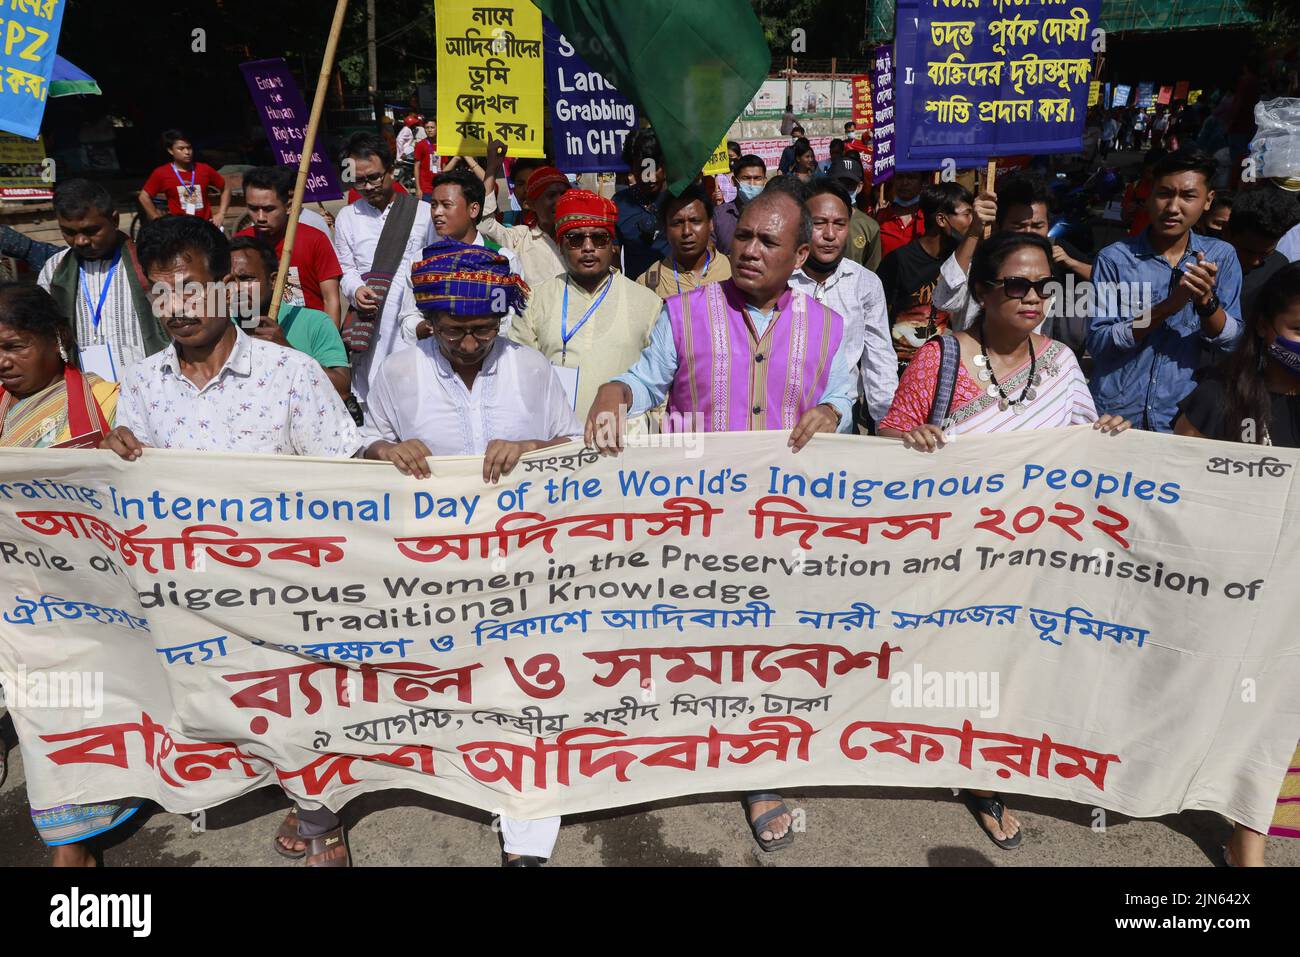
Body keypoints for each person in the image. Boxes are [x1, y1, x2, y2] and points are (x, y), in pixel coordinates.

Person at [584, 187, 858, 853]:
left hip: (787, 522)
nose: (751, 250)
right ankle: (684, 742)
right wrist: (614, 391)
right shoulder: (683, 314)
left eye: (769, 241)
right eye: (744, 236)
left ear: (800, 256)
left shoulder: (830, 326)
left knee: (773, 646)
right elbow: (644, 382)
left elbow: (842, 398)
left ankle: (760, 772)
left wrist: (833, 413)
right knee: (697, 639)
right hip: (699, 521)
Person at [101, 215, 361, 866]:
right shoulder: (143, 381)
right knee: (222, 701)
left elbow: (343, 471)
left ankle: (319, 812)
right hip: (194, 594)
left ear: (226, 287)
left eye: (191, 289)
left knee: (298, 700)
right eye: (161, 294)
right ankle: (258, 778)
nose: (177, 308)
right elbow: (134, 482)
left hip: (286, 584)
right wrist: (116, 451)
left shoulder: (290, 372)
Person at [878, 233, 1130, 849]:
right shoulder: (940, 358)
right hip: (957, 552)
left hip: (1036, 552)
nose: (1033, 297)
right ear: (984, 291)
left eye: (1044, 285)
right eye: (1017, 284)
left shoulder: (1061, 362)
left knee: (1015, 664)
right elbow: (886, 440)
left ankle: (994, 764)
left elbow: (1080, 449)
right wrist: (910, 441)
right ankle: (959, 761)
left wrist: (1108, 433)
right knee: (966, 661)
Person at [362, 239, 576, 868]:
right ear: (430, 319)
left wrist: (531, 448)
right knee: (453, 687)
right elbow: (366, 441)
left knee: (528, 691)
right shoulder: (398, 371)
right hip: (436, 569)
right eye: (454, 330)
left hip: (524, 563)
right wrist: (383, 451)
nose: (470, 343)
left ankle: (527, 829)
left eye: (483, 329)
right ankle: (461, 775)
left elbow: (573, 447)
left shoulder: (529, 368)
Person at [1173, 262, 1300, 866]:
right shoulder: (1221, 395)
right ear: (1266, 328)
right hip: (1232, 591)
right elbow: (1170, 478)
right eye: (1298, 328)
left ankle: (1249, 838)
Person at [0, 284, 122, 864]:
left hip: (89, 595)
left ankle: (78, 831)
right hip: (16, 595)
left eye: (15, 346)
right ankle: (69, 835)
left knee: (73, 702)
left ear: (57, 339)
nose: (3, 362)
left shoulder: (107, 403)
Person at [1088, 148, 1243, 432]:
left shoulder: (1221, 257)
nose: (1173, 207)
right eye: (1164, 194)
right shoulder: (1114, 259)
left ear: (1207, 201)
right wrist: (1166, 308)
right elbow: (1100, 342)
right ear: (1149, 195)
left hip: (1182, 417)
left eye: (1188, 196)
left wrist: (1206, 302)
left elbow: (1232, 342)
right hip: (1116, 417)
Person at [511, 190, 663, 419]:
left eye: (599, 238)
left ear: (612, 245)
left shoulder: (648, 303)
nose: (588, 247)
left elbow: (659, 383)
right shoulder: (534, 301)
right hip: (556, 436)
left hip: (626, 436)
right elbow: (519, 377)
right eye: (576, 239)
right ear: (560, 245)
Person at [933, 172, 1092, 356]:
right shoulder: (977, 261)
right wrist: (975, 230)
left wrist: (1072, 264)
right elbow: (944, 300)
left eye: (1042, 285)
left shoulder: (1059, 260)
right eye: (1018, 226)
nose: (1028, 234)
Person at [331, 131, 435, 405]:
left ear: (391, 170)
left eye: (374, 177)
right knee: (375, 402)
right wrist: (356, 289)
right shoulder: (347, 217)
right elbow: (346, 268)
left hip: (414, 324)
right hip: (371, 328)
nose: (367, 186)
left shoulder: (424, 214)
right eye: (359, 180)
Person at [789, 181, 895, 432]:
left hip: (842, 421)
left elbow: (879, 358)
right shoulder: (781, 279)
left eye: (839, 224)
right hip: (783, 420)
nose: (829, 234)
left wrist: (888, 423)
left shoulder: (865, 283)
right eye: (818, 223)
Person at [38, 179, 171, 379]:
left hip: (150, 384)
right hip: (85, 388)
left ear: (114, 220)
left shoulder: (148, 262)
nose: (81, 241)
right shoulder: (54, 269)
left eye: (91, 231)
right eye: (69, 232)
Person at [228, 235, 351, 399]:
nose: (236, 288)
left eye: (246, 279)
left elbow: (342, 389)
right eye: (229, 280)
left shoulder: (316, 323)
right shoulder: (221, 328)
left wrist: (287, 351)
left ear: (274, 281)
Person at [235, 166, 344, 327]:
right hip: (255, 332)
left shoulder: (314, 239)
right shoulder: (241, 243)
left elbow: (331, 299)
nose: (260, 217)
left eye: (269, 209)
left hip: (307, 332)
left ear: (288, 206)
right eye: (253, 208)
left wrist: (330, 338)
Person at [877, 183, 970, 370]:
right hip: (897, 369)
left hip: (938, 368)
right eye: (967, 214)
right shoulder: (899, 261)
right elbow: (877, 319)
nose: (972, 222)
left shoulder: (960, 261)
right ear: (941, 220)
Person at [480, 144, 569, 286]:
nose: (558, 201)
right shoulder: (519, 237)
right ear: (530, 203)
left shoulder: (582, 236)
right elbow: (485, 226)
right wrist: (491, 168)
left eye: (563, 194)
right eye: (550, 195)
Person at [636, 183, 732, 299]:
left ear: (710, 224)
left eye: (695, 221)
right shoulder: (648, 284)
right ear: (665, 228)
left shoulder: (733, 270)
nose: (687, 231)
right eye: (677, 223)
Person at [1223, 185, 1297, 319]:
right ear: (1227, 232)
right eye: (1248, 251)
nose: (1255, 261)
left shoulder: (1278, 268)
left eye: (1265, 254)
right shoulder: (1201, 257)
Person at [613, 128, 672, 279]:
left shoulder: (680, 199)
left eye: (654, 168)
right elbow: (614, 258)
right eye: (643, 169)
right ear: (632, 168)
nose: (649, 176)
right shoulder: (618, 204)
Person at [138, 129, 230, 225]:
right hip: (179, 227)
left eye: (189, 148)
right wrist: (157, 220)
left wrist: (221, 213)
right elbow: (144, 197)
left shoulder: (204, 169)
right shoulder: (161, 173)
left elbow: (226, 188)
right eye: (181, 149)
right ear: (170, 151)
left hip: (205, 225)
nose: (187, 152)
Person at [825, 154, 882, 271]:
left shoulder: (870, 227)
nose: (843, 190)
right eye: (838, 183)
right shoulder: (811, 221)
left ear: (859, 187)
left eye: (849, 185)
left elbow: (872, 271)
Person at [713, 155, 767, 255]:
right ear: (734, 181)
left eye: (757, 178)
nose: (752, 184)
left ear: (765, 181)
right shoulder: (718, 216)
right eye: (746, 178)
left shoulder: (773, 216)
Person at [875, 171, 927, 258]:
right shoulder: (880, 217)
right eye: (899, 177)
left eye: (911, 177)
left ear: (922, 183)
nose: (904, 183)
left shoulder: (929, 218)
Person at [414, 118, 441, 200]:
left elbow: (444, 166)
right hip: (425, 189)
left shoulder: (442, 145)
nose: (429, 130)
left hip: (440, 186)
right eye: (427, 128)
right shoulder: (420, 145)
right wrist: (418, 189)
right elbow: (416, 167)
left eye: (432, 127)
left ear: (437, 128)